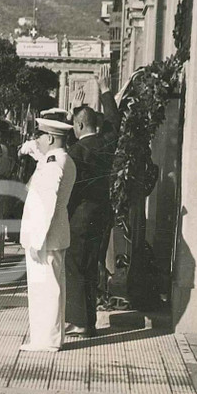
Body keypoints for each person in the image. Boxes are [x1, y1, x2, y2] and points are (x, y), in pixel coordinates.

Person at [19, 116, 77, 353]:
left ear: (51, 138)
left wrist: (37, 238)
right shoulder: (59, 159)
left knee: (46, 290)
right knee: (47, 288)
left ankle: (47, 340)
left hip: (46, 237)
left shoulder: (54, 162)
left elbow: (46, 202)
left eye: (40, 136)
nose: (37, 141)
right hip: (52, 235)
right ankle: (47, 337)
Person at [64, 106, 113, 337]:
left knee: (74, 267)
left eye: (74, 124)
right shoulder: (107, 143)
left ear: (80, 125)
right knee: (92, 266)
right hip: (101, 215)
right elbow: (115, 122)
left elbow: (71, 189)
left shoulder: (77, 150)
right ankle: (89, 320)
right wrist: (104, 92)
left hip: (80, 217)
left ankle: (78, 321)